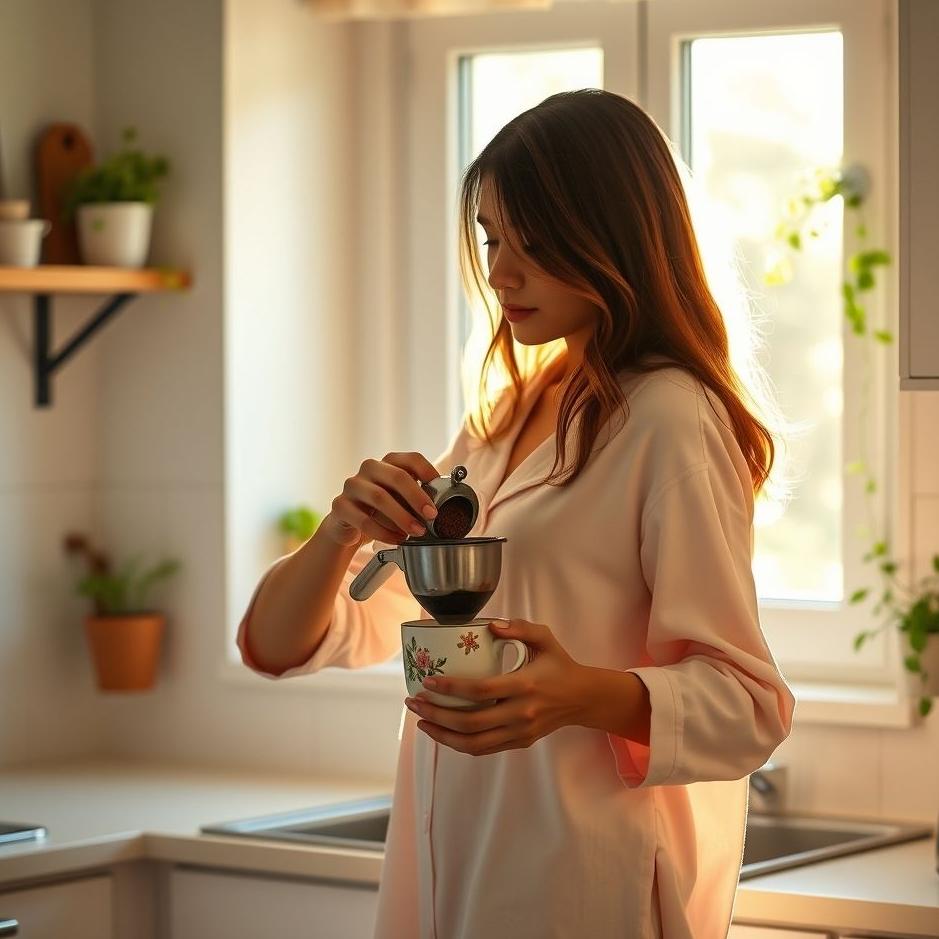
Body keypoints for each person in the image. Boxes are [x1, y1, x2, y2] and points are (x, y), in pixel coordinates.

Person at [236, 88, 796, 939]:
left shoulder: (671, 418)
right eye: (492, 238)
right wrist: (341, 529)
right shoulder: (502, 419)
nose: (499, 272)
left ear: (611, 236)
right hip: (453, 871)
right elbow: (276, 645)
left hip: (585, 884)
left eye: (531, 243)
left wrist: (578, 695)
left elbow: (748, 705)